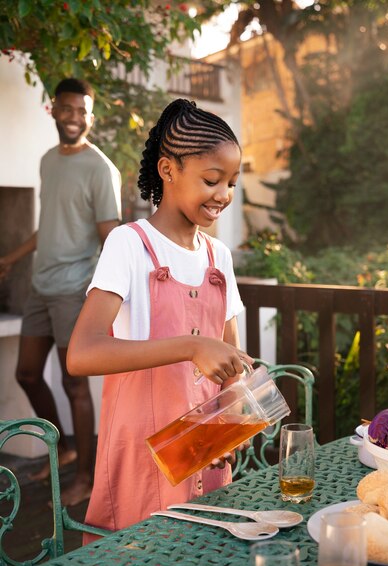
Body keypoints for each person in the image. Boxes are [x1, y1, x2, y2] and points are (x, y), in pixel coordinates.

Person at [66, 98, 252, 541]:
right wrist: (190, 346)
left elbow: (232, 365)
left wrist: (235, 418)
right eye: (212, 180)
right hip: (140, 455)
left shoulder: (218, 257)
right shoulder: (128, 244)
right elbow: (82, 353)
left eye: (231, 182)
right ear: (168, 171)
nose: (224, 195)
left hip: (205, 454)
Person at [0, 78, 121, 506]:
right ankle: (66, 448)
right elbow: (48, 225)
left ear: (92, 115)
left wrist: (110, 294)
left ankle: (85, 478)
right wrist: (11, 258)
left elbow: (112, 236)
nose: (73, 118)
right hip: (40, 285)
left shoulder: (101, 168)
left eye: (81, 111)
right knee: (27, 374)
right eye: (66, 109)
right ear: (54, 110)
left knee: (75, 385)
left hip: (74, 290)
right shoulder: (48, 160)